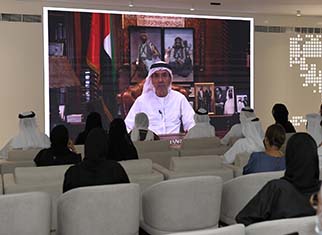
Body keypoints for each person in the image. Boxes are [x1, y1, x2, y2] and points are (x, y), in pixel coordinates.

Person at [236, 133, 320, 226]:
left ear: (289, 158)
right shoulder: (320, 192)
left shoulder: (276, 189)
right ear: (314, 158)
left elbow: (243, 220)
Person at [125, 61, 195, 135]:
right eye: (156, 76)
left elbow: (191, 123)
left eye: (164, 75)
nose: (160, 80)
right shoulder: (141, 101)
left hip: (174, 143)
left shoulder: (179, 98)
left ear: (170, 78)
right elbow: (128, 126)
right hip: (151, 143)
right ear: (151, 79)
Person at [63, 128, 129, 193]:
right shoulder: (116, 170)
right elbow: (127, 194)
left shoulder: (72, 174)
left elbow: (66, 200)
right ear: (106, 146)